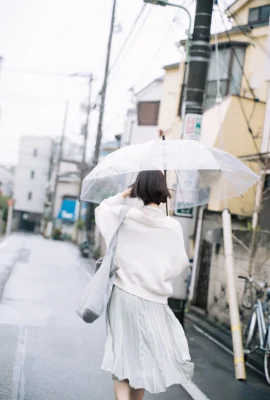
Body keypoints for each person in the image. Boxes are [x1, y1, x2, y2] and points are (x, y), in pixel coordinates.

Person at [95, 170, 194, 400]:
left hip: (123, 295)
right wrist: (157, 272)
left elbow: (102, 211)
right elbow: (179, 264)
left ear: (138, 188)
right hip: (154, 301)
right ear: (162, 189)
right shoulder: (172, 227)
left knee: (122, 354)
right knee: (143, 361)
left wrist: (124, 193)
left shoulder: (124, 216)